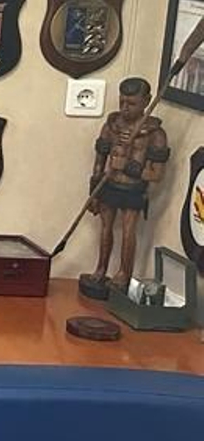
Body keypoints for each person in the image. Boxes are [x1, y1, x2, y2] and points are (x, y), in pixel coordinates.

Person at [78, 76, 169, 299]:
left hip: (133, 189)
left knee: (128, 231)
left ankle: (123, 275)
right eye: (122, 102)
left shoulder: (156, 134)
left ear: (146, 101)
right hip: (108, 184)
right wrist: (94, 191)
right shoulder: (111, 126)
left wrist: (129, 167)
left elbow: (156, 175)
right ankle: (101, 270)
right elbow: (99, 160)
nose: (125, 108)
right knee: (106, 228)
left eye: (132, 104)